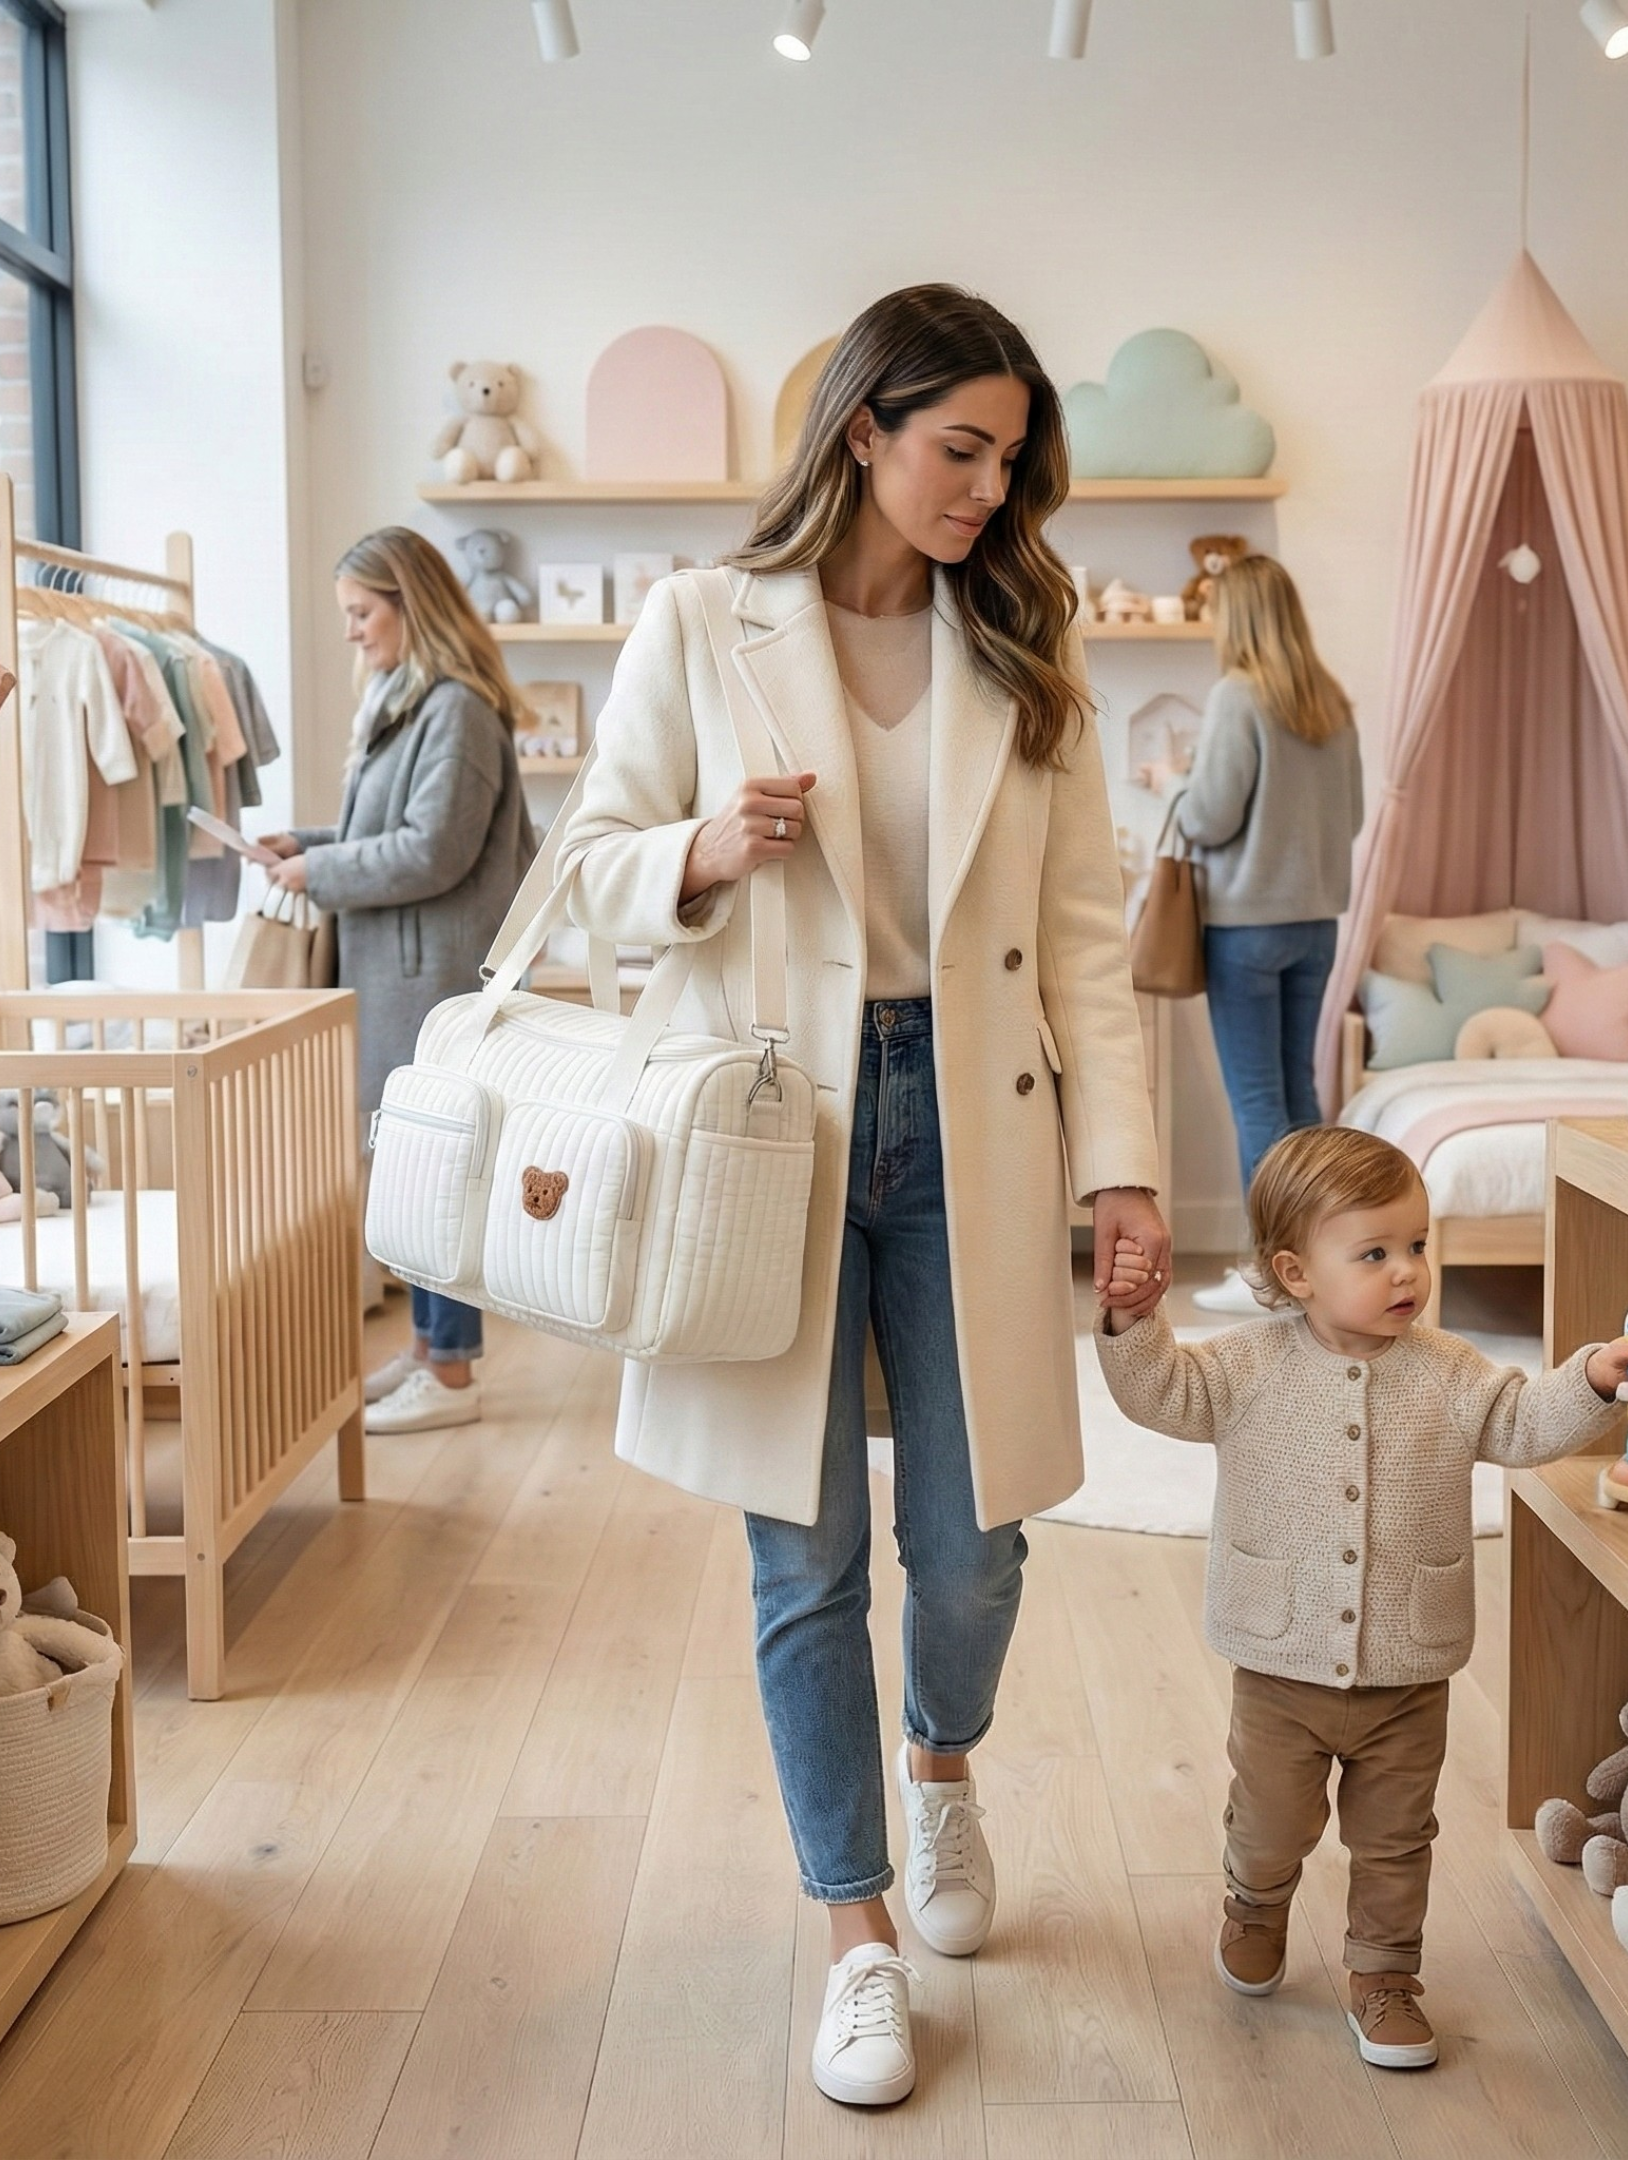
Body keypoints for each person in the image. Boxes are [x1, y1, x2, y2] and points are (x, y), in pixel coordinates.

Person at [557, 285, 1169, 2110]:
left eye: (1007, 457)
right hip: (771, 1127)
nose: (987, 489)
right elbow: (580, 874)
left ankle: (945, 1763)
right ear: (862, 433)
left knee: (972, 1543)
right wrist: (698, 850)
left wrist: (1124, 1168)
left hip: (971, 1117)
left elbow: (1084, 949)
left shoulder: (1028, 653)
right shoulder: (698, 622)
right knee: (799, 1547)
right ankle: (858, 1935)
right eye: (957, 448)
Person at [1094, 1126, 1628, 2070]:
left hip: (1407, 1671)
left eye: (1418, 1246)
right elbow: (1162, 1394)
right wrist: (1130, 1323)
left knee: (1397, 1841)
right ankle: (1254, 1901)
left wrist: (1592, 1376)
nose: (1408, 1272)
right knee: (1272, 1827)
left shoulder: (1450, 1370)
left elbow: (1522, 1422)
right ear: (1295, 1272)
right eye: (1376, 1253)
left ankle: (1386, 1974)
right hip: (1280, 1666)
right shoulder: (1243, 1367)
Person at [259, 526, 536, 1434]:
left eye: (361, 613)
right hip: (406, 972)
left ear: (409, 605)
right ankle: (428, 1351)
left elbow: (433, 851)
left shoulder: (453, 709)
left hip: (434, 980)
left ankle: (451, 1372)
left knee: (437, 1174)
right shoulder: (410, 702)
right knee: (414, 1173)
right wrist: (312, 845)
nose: (351, 632)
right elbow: (396, 829)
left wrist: (321, 874)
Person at [1144, 554, 1362, 1316]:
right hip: (1316, 924)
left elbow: (1208, 818)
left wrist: (1168, 780)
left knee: (1259, 1102)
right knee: (1300, 1093)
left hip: (1246, 927)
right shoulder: (1331, 701)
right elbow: (1354, 818)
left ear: (1236, 618)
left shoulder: (1240, 697)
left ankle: (1273, 1275)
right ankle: (1323, 1265)